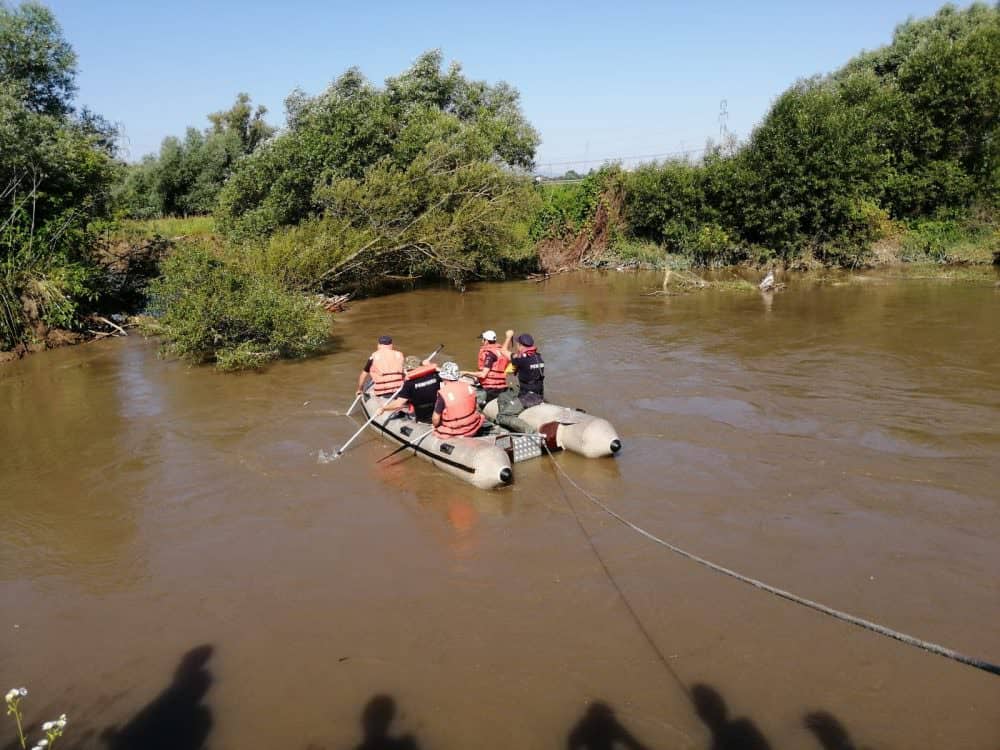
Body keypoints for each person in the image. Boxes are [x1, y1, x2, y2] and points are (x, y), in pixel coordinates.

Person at [491, 330, 545, 433]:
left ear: (520, 345)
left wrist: (508, 337)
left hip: (529, 397)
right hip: (536, 393)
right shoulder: (538, 356)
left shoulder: (521, 359)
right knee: (503, 396)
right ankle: (507, 424)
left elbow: (503, 351)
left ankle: (530, 431)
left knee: (502, 415)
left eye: (517, 344)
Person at [377, 355, 441, 422]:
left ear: (407, 370)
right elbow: (450, 377)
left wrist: (383, 408)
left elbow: (398, 403)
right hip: (439, 414)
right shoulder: (435, 375)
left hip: (424, 418)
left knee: (405, 403)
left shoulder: (409, 384)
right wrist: (430, 366)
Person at [432, 362, 486, 437]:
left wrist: (435, 426)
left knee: (435, 427)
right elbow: (475, 406)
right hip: (474, 426)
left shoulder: (443, 393)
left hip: (456, 431)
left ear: (443, 377)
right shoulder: (468, 386)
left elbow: (435, 419)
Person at [462, 329, 509, 405]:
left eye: (483, 340)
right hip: (502, 386)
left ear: (486, 341)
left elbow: (483, 374)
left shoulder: (489, 354)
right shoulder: (501, 351)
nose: (482, 342)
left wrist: (465, 372)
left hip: (491, 389)